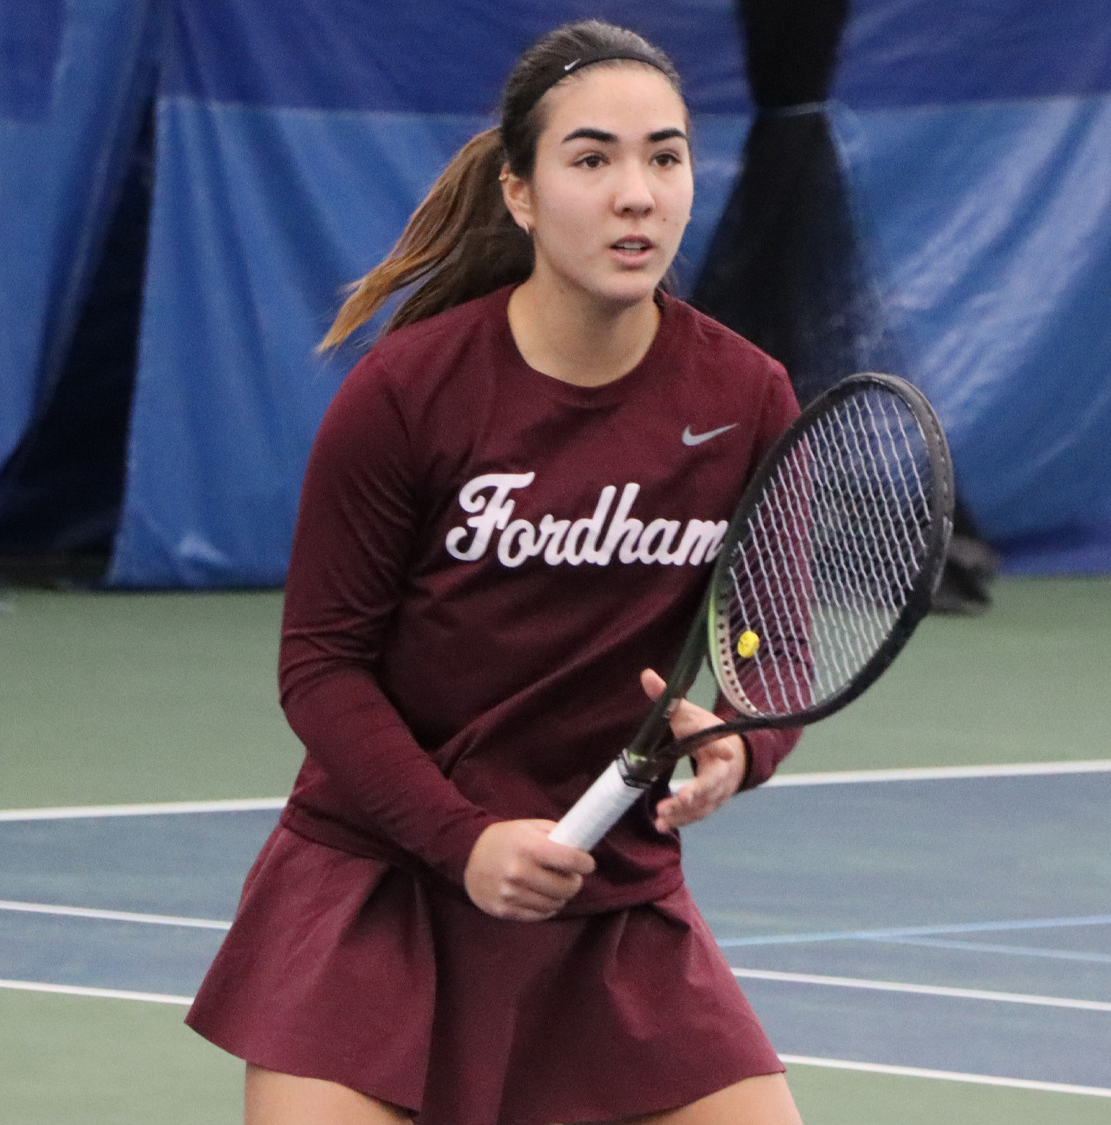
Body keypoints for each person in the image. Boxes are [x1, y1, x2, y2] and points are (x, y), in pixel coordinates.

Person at [186, 20, 805, 1125]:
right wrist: (461, 839)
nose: (636, 194)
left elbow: (776, 644)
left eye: (664, 158)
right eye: (591, 158)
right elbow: (322, 669)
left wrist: (738, 743)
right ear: (518, 193)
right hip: (381, 891)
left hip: (607, 909)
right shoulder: (407, 392)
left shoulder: (746, 395)